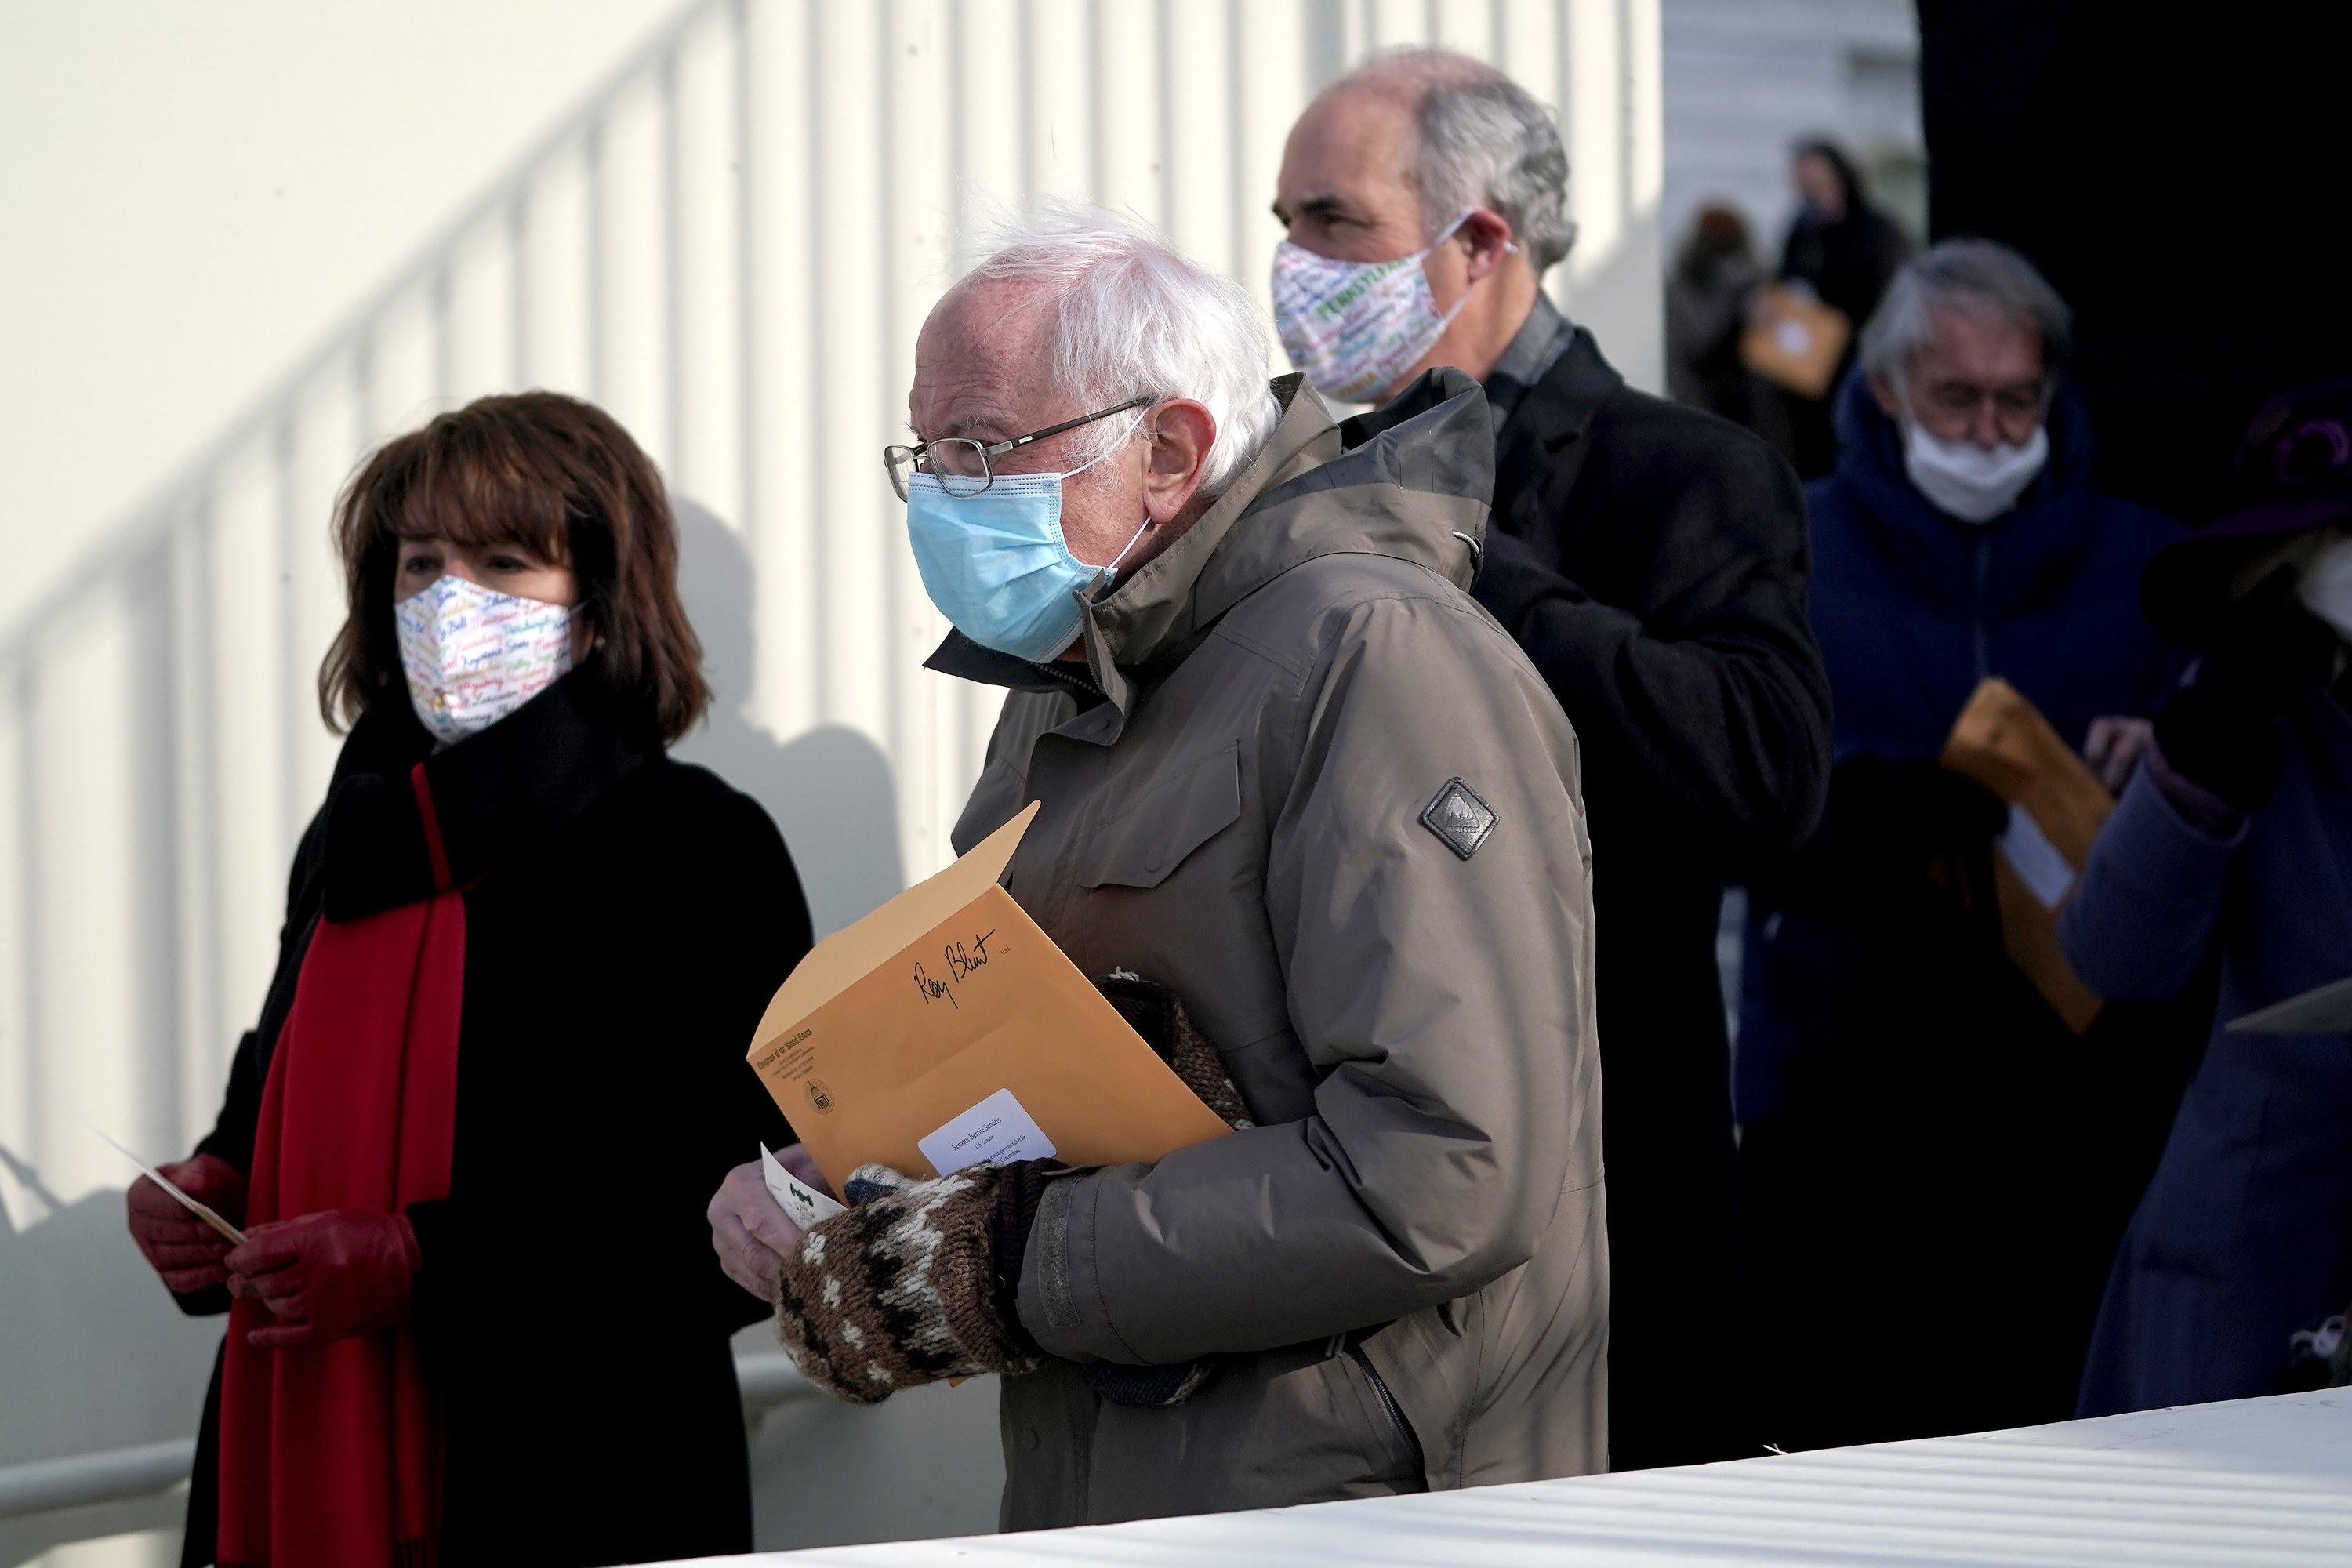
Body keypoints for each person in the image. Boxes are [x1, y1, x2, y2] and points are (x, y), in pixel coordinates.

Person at [706, 205, 1606, 1524]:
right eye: (927, 454)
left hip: (1351, 1508)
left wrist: (1000, 1266)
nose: (944, 494)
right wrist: (853, 1181)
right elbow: (1064, 1077)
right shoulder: (1071, 678)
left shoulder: (1373, 657)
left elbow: (1445, 1168)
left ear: (1170, 452)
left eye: (981, 447)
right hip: (1110, 1487)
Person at [122, 393, 813, 1566]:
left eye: (505, 562)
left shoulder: (696, 845)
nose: (451, 601)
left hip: (574, 1472)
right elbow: (278, 1075)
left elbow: (755, 1212)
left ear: (601, 605)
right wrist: (218, 1182)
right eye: (421, 563)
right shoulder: (355, 834)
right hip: (300, 1428)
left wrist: (424, 1264)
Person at [1268, 49, 1831, 1470]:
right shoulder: (1286, 474)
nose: (1291, 263)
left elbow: (1766, 779)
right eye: (1283, 222)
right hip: (1334, 1212)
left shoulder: (1680, 470)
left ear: (1481, 239)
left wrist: (1460, 552)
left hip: (1605, 1209)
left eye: (1333, 224)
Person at [1738, 239, 2190, 1450]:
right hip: (1856, 1100)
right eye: (1958, 399)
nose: (1993, 433)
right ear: (1886, 390)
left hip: (2083, 1105)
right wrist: (1854, 804)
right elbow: (1728, 805)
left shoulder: (2155, 567)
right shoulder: (1789, 550)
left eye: (2019, 400)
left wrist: (2170, 755)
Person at [2066, 380, 2352, 1417]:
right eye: (2328, 542)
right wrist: (2199, 762)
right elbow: (2112, 958)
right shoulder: (2248, 704)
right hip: (2254, 1261)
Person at [1757, 140, 1912, 479]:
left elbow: (1884, 296)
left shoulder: (1876, 232)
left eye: (1816, 179)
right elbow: (1786, 278)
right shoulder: (1802, 228)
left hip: (1854, 359)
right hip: (1804, 366)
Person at [1666, 204, 1763, 426]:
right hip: (1706, 394)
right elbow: (1693, 342)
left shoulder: (1755, 282)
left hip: (1743, 397)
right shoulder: (1686, 284)